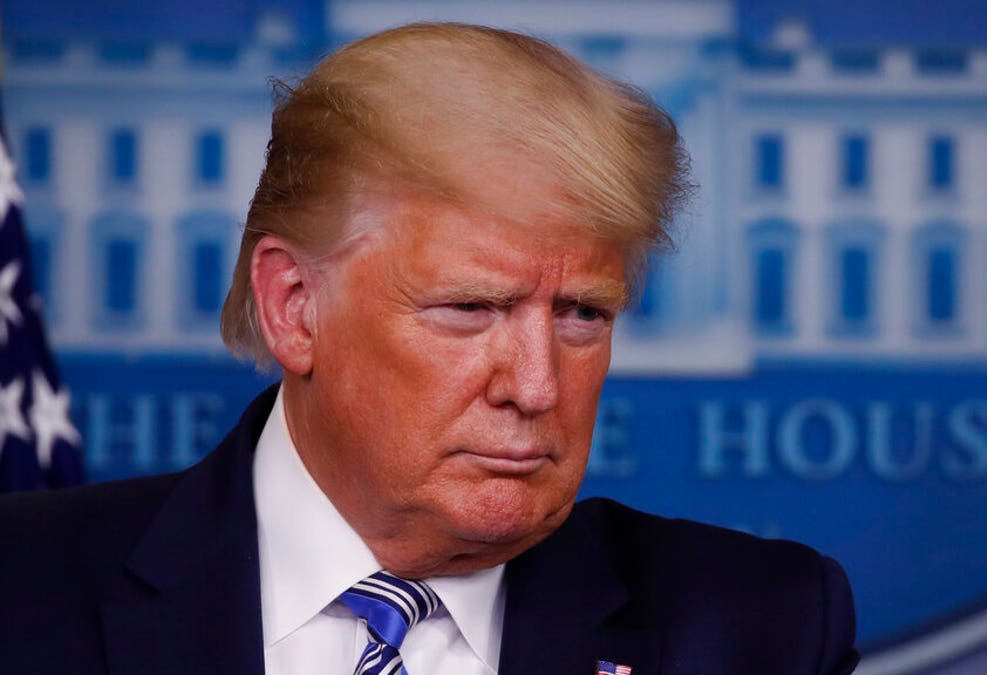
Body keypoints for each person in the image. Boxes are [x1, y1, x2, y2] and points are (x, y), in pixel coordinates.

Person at [0, 23, 858, 675]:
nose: (535, 385)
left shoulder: (761, 626)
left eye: (583, 315)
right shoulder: (24, 588)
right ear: (294, 307)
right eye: (470, 307)